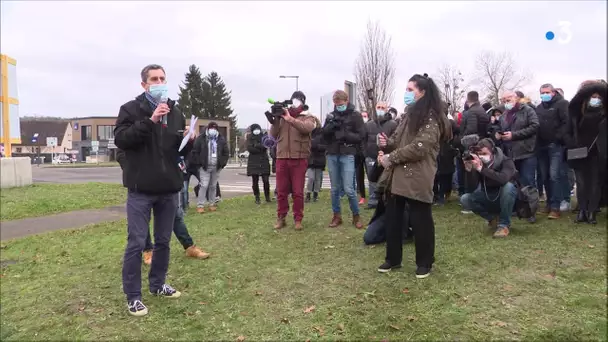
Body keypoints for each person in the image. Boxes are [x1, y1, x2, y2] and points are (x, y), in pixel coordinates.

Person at [114, 64, 195, 316]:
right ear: (144, 84)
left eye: (162, 78)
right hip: (141, 188)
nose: (159, 82)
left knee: (163, 241)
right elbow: (122, 139)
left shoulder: (176, 110)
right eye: (154, 79)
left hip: (168, 187)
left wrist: (189, 142)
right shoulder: (130, 109)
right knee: (137, 242)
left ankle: (158, 284)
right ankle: (133, 296)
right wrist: (151, 121)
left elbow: (175, 150)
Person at [376, 73, 452, 277]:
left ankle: (425, 262)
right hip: (398, 174)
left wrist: (391, 158)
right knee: (393, 218)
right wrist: (386, 145)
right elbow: (398, 141)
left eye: (410, 90)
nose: (406, 93)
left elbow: (420, 147)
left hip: (418, 173)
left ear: (423, 92)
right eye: (406, 89)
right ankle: (392, 259)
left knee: (421, 219)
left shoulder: (432, 117)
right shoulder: (408, 114)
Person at [267, 91, 316, 230]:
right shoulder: (282, 116)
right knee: (281, 191)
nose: (295, 102)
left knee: (298, 192)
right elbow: (273, 134)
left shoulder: (308, 117)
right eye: (293, 100)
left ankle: (298, 219)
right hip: (282, 157)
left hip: (299, 159)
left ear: (303, 102)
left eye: (299, 100)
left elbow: (306, 129)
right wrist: (276, 119)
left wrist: (291, 120)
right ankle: (281, 218)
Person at [564, 80, 607, 224]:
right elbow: (567, 131)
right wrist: (571, 143)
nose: (596, 100)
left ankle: (592, 212)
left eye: (598, 97)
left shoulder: (604, 113)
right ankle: (582, 210)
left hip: (598, 153)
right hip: (579, 152)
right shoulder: (577, 112)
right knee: (581, 183)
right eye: (593, 96)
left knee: (595, 183)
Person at [323, 90, 366, 229]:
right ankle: (337, 216)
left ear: (346, 101)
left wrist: (346, 134)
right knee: (335, 188)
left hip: (347, 153)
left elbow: (361, 135)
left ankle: (356, 216)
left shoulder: (355, 116)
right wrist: (329, 128)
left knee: (349, 188)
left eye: (340, 104)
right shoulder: (331, 115)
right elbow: (323, 135)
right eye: (336, 104)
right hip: (332, 153)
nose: (338, 106)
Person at [495, 90, 539, 222]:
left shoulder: (528, 111)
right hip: (510, 153)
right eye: (503, 100)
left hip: (526, 151)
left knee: (528, 181)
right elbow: (501, 129)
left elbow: (535, 126)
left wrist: (514, 135)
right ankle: (518, 208)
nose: (505, 102)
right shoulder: (504, 115)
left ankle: (531, 212)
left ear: (516, 98)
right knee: (515, 182)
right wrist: (499, 135)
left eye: (508, 99)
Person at [460, 139, 518, 238]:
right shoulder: (479, 163)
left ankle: (504, 225)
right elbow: (471, 187)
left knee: (508, 187)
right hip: (489, 196)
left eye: (484, 153)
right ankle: (492, 219)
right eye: (479, 153)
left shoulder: (506, 161)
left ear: (492, 152)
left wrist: (482, 169)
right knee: (465, 198)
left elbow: (503, 179)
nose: (482, 156)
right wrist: (469, 170)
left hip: (508, 198)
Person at [535, 83, 569, 219]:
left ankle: (556, 206)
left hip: (555, 145)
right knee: (545, 176)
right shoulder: (539, 108)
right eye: (542, 93)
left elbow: (567, 123)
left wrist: (558, 138)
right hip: (541, 146)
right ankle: (549, 203)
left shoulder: (562, 104)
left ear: (553, 92)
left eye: (547, 92)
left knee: (554, 175)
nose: (545, 95)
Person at [363, 101, 398, 209]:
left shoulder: (393, 124)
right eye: (378, 107)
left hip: (386, 156)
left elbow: (395, 141)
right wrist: (366, 154)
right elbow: (363, 140)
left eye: (383, 107)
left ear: (387, 109)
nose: (380, 109)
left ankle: (385, 200)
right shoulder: (368, 124)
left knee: (386, 179)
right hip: (371, 156)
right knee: (372, 179)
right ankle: (373, 201)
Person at [192, 122, 229, 213]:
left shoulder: (221, 139)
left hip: (216, 167)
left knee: (213, 186)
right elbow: (195, 151)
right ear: (208, 129)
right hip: (205, 167)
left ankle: (212, 204)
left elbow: (226, 152)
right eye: (211, 128)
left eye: (215, 128)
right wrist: (199, 163)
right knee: (204, 185)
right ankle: (200, 205)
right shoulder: (201, 138)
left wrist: (222, 164)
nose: (213, 130)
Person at [246, 124, 271, 204]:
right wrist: (260, 148)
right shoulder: (249, 138)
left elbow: (266, 146)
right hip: (253, 162)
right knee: (255, 181)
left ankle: (267, 197)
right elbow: (250, 149)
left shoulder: (264, 136)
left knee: (266, 181)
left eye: (258, 128)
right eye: (255, 129)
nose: (257, 130)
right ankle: (257, 197)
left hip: (264, 162)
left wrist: (256, 145)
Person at [306, 116, 326, 203]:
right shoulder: (307, 133)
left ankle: (315, 194)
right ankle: (308, 194)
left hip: (320, 159)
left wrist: (317, 146)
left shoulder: (322, 134)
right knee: (311, 178)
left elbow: (325, 146)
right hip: (310, 159)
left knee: (317, 179)